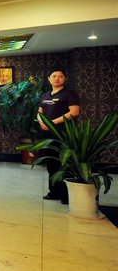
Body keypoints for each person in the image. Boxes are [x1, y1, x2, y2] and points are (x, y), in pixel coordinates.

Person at [37, 67, 80, 203]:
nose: (57, 78)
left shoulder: (69, 94)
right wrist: (41, 122)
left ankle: (66, 195)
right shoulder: (45, 95)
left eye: (60, 76)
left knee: (64, 164)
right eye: (54, 76)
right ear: (49, 79)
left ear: (65, 79)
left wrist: (52, 123)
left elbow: (74, 112)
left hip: (64, 135)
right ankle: (54, 192)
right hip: (47, 135)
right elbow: (40, 112)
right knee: (51, 164)